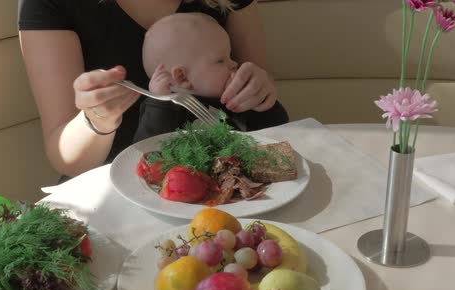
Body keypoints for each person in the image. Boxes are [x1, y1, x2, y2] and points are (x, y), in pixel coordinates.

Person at [18, 0, 280, 180]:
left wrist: (259, 88)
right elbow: (66, 159)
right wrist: (96, 120)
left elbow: (260, 86)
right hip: (113, 189)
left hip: (228, 175)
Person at [133, 12, 288, 142]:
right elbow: (146, 149)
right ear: (182, 77)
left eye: (230, 56)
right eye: (221, 60)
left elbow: (279, 124)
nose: (234, 63)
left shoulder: (235, 99)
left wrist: (258, 99)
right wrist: (160, 102)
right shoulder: (166, 111)